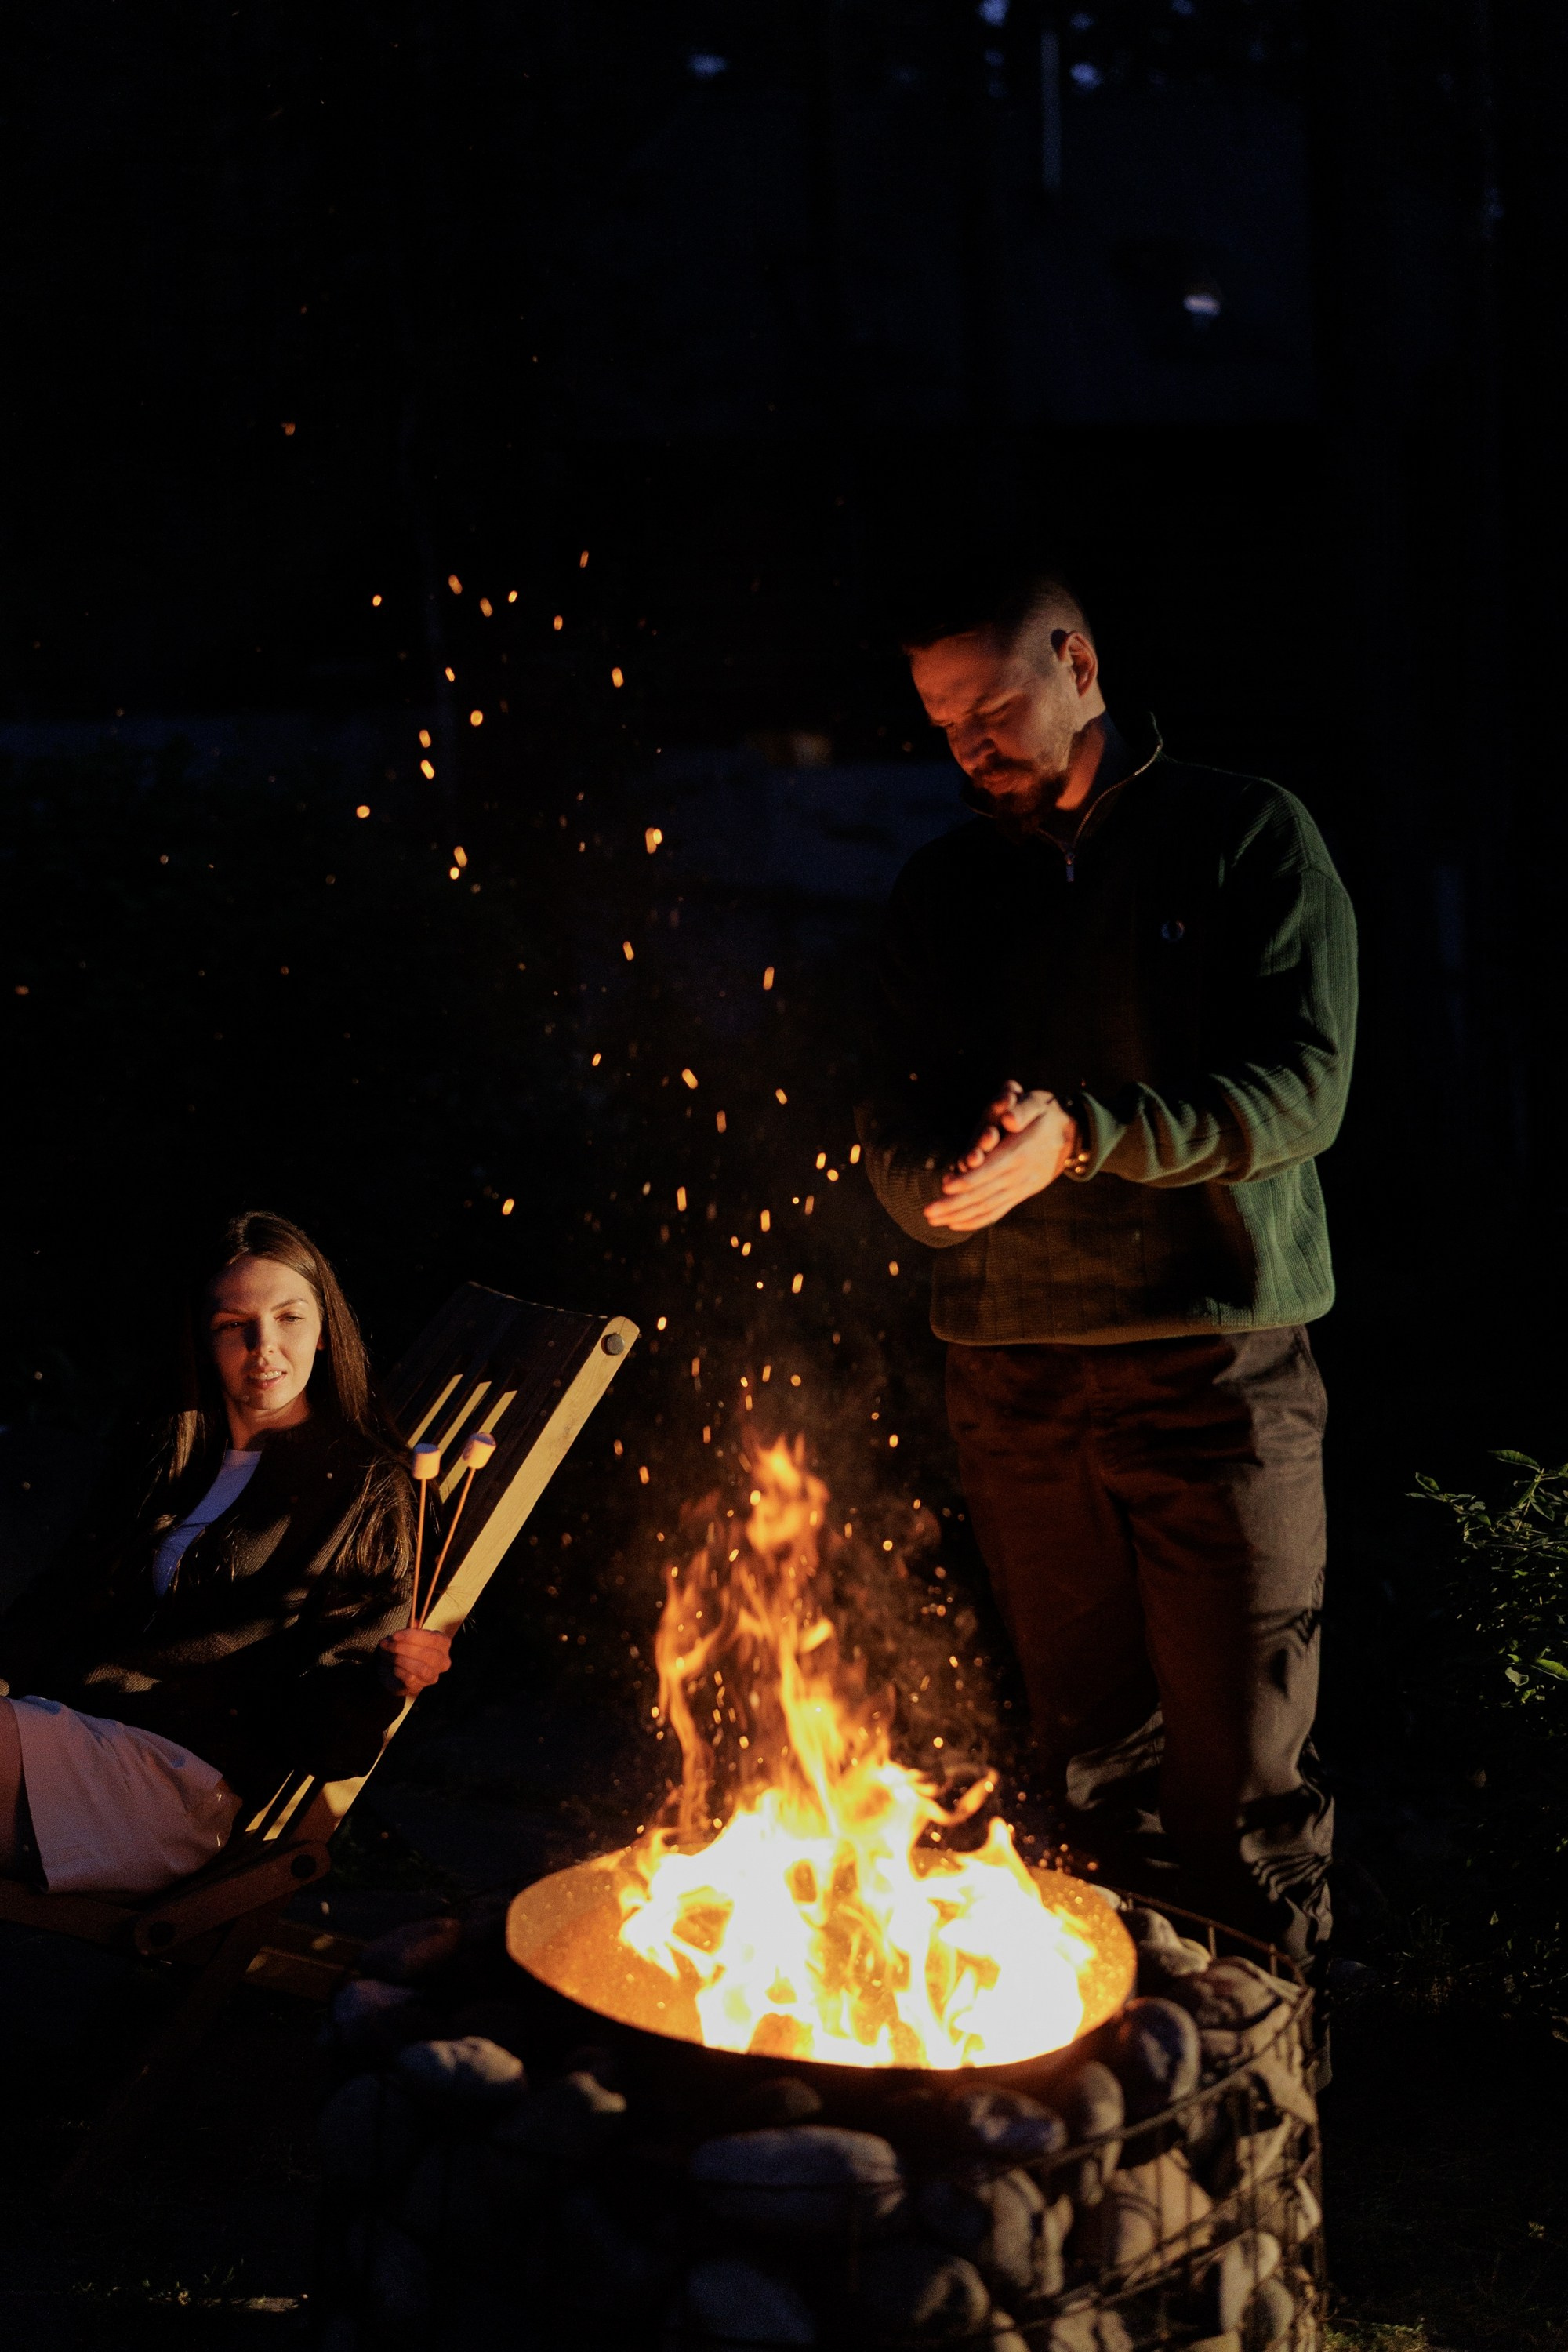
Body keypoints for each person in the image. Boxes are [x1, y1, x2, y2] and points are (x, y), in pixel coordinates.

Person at [855, 564, 1357, 1963]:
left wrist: (1086, 1136)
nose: (968, 744)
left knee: (1245, 1801)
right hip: (1012, 1383)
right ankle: (1116, 2122)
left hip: (1217, 1371)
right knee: (1089, 1788)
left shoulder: (1244, 835)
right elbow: (888, 1113)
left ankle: (1264, 2140)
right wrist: (930, 1194)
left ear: (1079, 662)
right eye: (943, 720)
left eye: (991, 704)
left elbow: (1307, 1092)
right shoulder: (947, 890)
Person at [0, 1212, 452, 1895]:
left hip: (173, 1784)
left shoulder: (365, 1490)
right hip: (69, 1728)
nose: (264, 1345)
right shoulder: (174, 1446)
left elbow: (334, 1740)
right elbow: (63, 1595)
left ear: (325, 1330)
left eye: (288, 1317)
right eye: (233, 1324)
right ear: (202, 1339)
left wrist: (386, 1683)